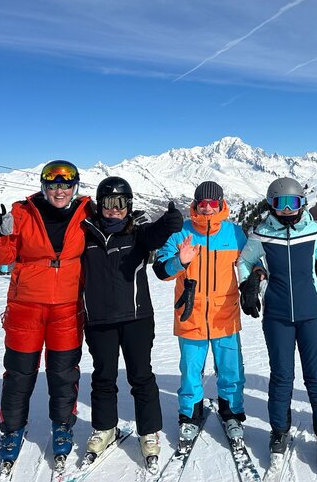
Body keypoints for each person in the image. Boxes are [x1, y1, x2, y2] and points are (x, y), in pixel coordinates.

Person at [0, 160, 92, 472]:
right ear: (44, 185)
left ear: (75, 186)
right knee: (19, 374)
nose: (60, 190)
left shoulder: (88, 212)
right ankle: (13, 430)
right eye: (53, 183)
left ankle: (62, 425)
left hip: (67, 308)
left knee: (63, 373)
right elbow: (5, 258)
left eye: (66, 183)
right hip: (26, 307)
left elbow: (109, 235)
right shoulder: (21, 212)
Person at [237, 178, 317, 462]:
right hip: (277, 315)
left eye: (292, 203)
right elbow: (244, 262)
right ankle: (279, 431)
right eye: (279, 204)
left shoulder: (312, 232)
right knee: (282, 377)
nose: (285, 210)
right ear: (270, 205)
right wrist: (249, 284)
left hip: (313, 315)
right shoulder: (261, 235)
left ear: (301, 204)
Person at [81, 177, 183, 470]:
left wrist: (170, 222)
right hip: (99, 319)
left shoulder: (138, 233)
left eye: (121, 203)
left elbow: (155, 236)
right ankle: (104, 428)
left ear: (129, 205)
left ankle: (148, 431)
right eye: (109, 204)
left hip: (136, 317)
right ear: (100, 206)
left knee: (141, 376)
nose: (114, 210)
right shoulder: (85, 233)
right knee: (103, 376)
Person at [153, 181, 249, 449]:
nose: (208, 208)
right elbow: (161, 271)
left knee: (231, 370)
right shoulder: (180, 233)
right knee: (190, 371)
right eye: (202, 203)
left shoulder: (235, 233)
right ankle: (189, 416)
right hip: (190, 315)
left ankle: (232, 414)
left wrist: (254, 280)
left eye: (213, 203)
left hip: (225, 315)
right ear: (195, 204)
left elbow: (252, 262)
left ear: (221, 204)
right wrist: (180, 261)